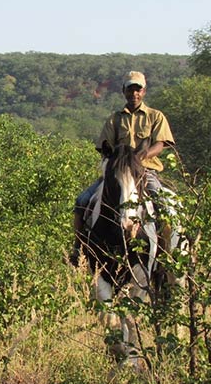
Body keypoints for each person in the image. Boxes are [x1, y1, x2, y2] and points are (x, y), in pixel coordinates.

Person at [70, 70, 175, 265]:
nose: (134, 94)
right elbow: (104, 147)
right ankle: (78, 248)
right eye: (130, 89)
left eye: (138, 89)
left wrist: (143, 155)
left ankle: (165, 251)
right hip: (118, 173)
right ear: (123, 91)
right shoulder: (114, 119)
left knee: (164, 205)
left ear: (143, 91)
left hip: (145, 171)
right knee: (82, 200)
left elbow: (161, 143)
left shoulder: (155, 116)